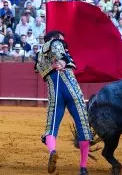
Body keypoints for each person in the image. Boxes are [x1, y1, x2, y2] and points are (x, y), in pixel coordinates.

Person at [34, 30, 92, 175]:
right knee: (83, 126)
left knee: (51, 127)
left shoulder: (39, 56)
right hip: (70, 87)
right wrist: (63, 61)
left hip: (54, 91)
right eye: (62, 39)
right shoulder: (56, 43)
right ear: (54, 38)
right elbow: (60, 53)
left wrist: (56, 64)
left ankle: (52, 151)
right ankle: (83, 167)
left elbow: (42, 70)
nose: (64, 42)